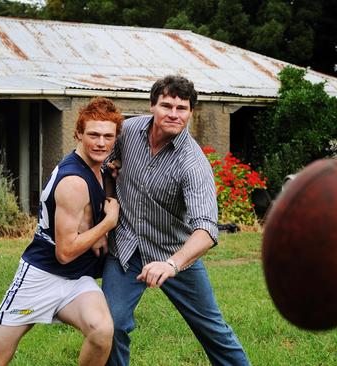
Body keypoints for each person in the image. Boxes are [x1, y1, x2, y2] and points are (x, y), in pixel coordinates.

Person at [0, 97, 124, 366]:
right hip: (41, 276)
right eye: (93, 135)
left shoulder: (96, 167)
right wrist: (108, 224)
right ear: (78, 133)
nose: (101, 143)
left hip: (76, 280)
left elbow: (90, 208)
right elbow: (65, 252)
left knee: (101, 331)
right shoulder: (74, 181)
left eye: (108, 137)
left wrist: (109, 185)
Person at [102, 75, 250, 365]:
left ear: (191, 112)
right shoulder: (128, 131)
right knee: (112, 325)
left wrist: (172, 264)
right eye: (166, 105)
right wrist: (110, 202)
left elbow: (206, 229)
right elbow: (105, 165)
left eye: (181, 108)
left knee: (212, 329)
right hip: (126, 249)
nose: (173, 113)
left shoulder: (193, 163)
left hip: (175, 253)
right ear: (152, 106)